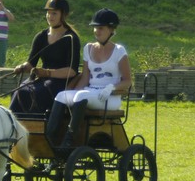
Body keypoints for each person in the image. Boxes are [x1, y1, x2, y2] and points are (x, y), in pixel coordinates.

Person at [45, 8, 131, 150]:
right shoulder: (88, 48)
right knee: (61, 95)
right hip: (90, 93)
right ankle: (49, 139)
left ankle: (69, 142)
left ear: (111, 30)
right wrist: (72, 94)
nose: (97, 31)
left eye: (101, 28)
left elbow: (128, 81)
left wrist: (111, 87)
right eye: (95, 28)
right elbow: (85, 77)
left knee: (81, 95)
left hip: (109, 97)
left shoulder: (119, 51)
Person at [9, 0, 81, 116]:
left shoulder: (71, 38)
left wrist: (47, 73)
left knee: (36, 93)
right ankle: (15, 122)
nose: (50, 16)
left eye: (54, 13)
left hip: (61, 81)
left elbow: (72, 71)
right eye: (48, 13)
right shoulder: (40, 36)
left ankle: (37, 123)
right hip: (41, 77)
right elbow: (31, 63)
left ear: (63, 15)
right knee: (19, 91)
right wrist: (22, 67)